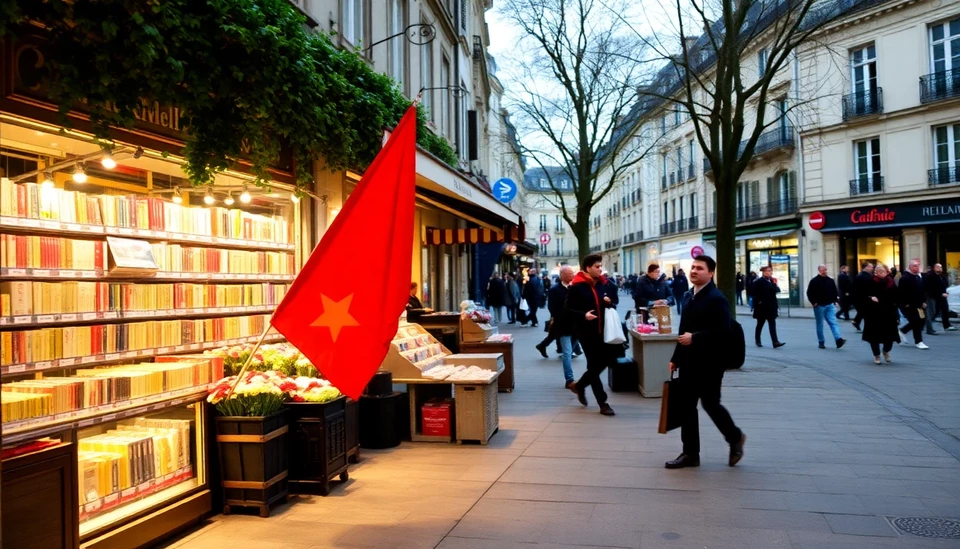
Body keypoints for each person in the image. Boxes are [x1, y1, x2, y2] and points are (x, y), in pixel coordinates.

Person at [665, 255, 746, 469]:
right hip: (690, 362)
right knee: (686, 407)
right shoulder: (688, 295)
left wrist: (696, 337)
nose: (694, 271)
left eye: (699, 268)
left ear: (710, 273)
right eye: (692, 267)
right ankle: (690, 453)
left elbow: (724, 332)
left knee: (711, 404)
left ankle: (735, 437)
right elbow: (684, 330)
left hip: (711, 363)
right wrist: (676, 358)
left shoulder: (716, 298)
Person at [566, 254, 617, 416]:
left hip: (604, 332)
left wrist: (609, 301)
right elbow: (567, 309)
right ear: (588, 268)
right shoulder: (576, 286)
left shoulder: (602, 284)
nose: (600, 269)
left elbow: (612, 302)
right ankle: (603, 403)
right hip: (586, 333)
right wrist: (583, 315)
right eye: (597, 266)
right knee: (594, 366)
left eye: (601, 266)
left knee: (605, 361)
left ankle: (579, 385)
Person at [537, 266, 577, 386]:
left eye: (572, 273)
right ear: (562, 276)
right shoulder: (555, 290)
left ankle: (542, 346)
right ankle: (569, 379)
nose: (572, 276)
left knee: (570, 351)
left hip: (576, 326)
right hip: (563, 326)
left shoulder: (574, 288)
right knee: (567, 352)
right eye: (569, 274)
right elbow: (553, 309)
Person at [862, 263, 900, 364]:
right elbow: (862, 295)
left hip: (889, 312)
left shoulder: (891, 282)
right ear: (875, 272)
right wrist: (870, 298)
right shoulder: (870, 282)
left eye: (882, 271)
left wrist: (897, 315)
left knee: (890, 336)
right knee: (874, 336)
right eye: (878, 272)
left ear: (887, 272)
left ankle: (886, 351)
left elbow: (896, 298)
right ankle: (876, 355)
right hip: (874, 313)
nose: (880, 274)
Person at [806, 265, 847, 350]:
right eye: (823, 270)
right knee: (820, 324)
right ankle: (821, 342)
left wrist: (835, 300)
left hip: (830, 305)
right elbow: (809, 292)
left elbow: (834, 291)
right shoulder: (814, 281)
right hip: (819, 306)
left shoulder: (830, 280)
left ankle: (838, 340)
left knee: (833, 322)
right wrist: (814, 302)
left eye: (825, 269)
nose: (825, 271)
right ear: (819, 270)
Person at [898, 260, 929, 350]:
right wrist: (905, 304)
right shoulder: (905, 278)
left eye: (918, 265)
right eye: (915, 266)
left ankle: (903, 330)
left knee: (921, 320)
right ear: (910, 267)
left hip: (919, 305)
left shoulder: (918, 277)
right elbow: (901, 293)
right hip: (909, 305)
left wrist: (923, 301)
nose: (917, 267)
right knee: (917, 322)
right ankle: (919, 341)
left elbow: (921, 291)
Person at [752, 266, 785, 348]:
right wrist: (759, 302)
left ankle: (775, 342)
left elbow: (777, 290)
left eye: (771, 271)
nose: (770, 272)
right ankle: (758, 340)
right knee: (760, 324)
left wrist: (774, 283)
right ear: (763, 272)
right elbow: (755, 293)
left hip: (771, 306)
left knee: (772, 324)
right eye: (768, 271)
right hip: (762, 307)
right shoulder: (759, 281)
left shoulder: (772, 281)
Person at [924, 263, 956, 334]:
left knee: (944, 309)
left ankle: (946, 325)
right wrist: (941, 293)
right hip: (933, 296)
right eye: (938, 267)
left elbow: (944, 284)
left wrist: (945, 292)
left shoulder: (941, 276)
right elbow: (930, 288)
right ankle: (926, 326)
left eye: (940, 267)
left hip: (941, 295)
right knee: (932, 312)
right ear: (934, 268)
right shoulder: (930, 276)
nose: (939, 268)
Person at [851, 262, 875, 331]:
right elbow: (858, 289)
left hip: (863, 298)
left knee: (863, 312)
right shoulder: (862, 276)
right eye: (870, 266)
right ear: (866, 267)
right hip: (863, 298)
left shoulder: (865, 275)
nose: (872, 268)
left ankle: (856, 322)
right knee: (867, 314)